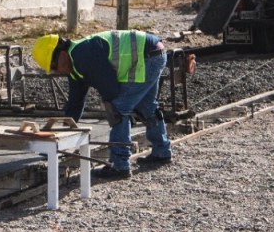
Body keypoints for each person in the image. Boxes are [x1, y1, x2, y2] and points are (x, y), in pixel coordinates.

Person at [32, 30, 172, 179]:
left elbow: (111, 89)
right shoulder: (75, 64)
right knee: (147, 107)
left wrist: (111, 105)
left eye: (54, 66)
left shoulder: (84, 55)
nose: (57, 71)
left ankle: (120, 165)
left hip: (146, 56)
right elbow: (75, 104)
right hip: (151, 52)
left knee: (117, 109)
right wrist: (58, 140)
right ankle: (162, 152)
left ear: (61, 54)